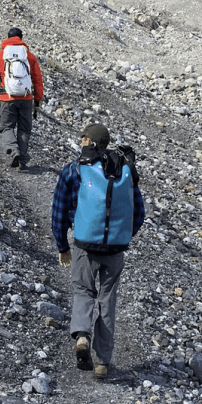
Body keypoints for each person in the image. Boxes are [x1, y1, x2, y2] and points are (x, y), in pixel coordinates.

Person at [51, 122, 145, 380]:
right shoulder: (124, 169)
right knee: (107, 300)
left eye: (82, 138)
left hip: (84, 246)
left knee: (83, 290)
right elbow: (138, 212)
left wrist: (62, 245)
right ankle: (103, 362)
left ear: (89, 142)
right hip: (115, 248)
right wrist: (122, 236)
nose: (80, 141)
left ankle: (82, 336)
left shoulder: (75, 169)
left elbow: (58, 210)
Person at [0, 27, 44, 169]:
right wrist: (37, 100)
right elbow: (37, 80)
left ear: (7, 38)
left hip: (7, 98)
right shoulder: (29, 56)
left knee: (6, 127)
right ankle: (23, 160)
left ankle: (14, 151)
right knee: (24, 129)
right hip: (26, 98)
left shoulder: (0, 55)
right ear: (21, 38)